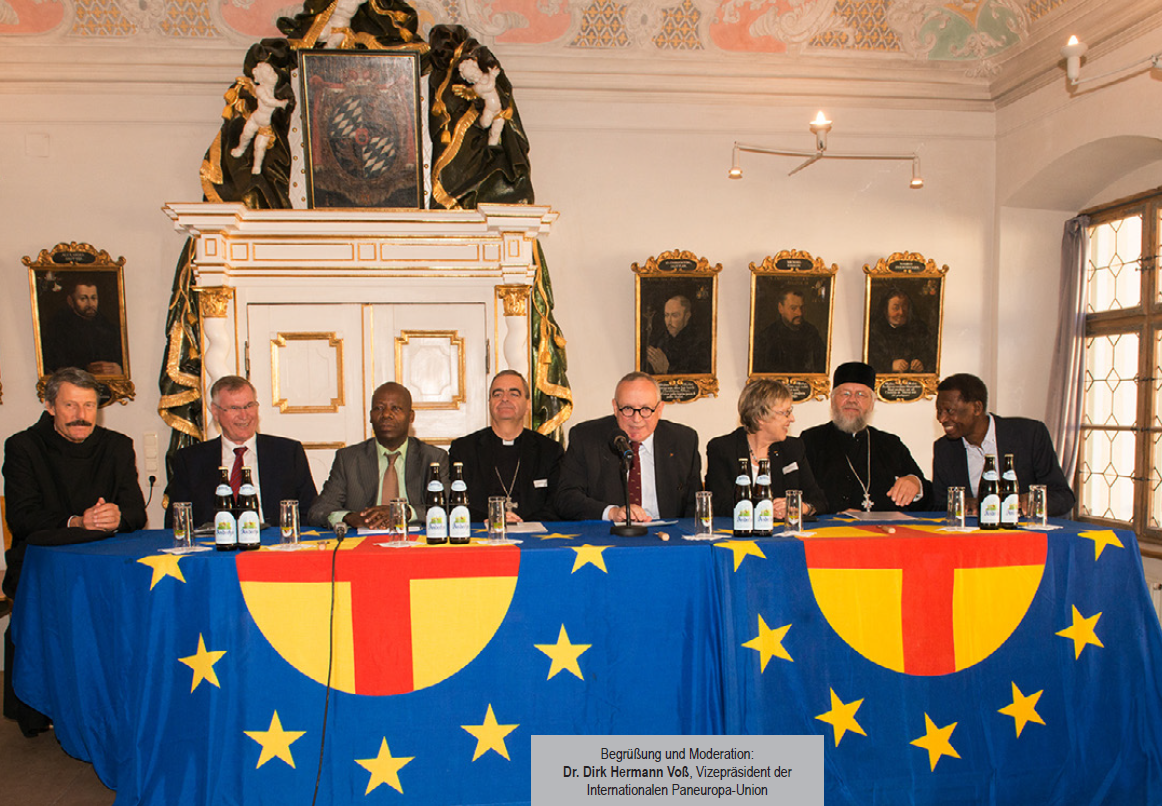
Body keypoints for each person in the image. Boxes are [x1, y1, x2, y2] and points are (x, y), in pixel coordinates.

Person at [2, 367, 146, 735]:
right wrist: (78, 522)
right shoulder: (23, 447)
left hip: (105, 562)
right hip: (43, 563)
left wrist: (116, 516)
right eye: (70, 405)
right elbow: (22, 518)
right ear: (50, 406)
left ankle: (117, 706)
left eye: (89, 405)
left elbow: (135, 512)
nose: (82, 415)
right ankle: (47, 706)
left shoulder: (116, 445)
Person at [163, 375, 316, 527]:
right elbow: (176, 521)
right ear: (215, 412)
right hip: (214, 545)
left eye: (249, 406)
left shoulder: (287, 453)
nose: (244, 416)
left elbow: (310, 513)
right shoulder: (191, 459)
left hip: (273, 544)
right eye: (234, 408)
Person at [555, 372, 700, 522]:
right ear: (615, 408)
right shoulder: (586, 438)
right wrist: (611, 513)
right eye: (628, 409)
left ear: (660, 409)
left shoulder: (683, 441)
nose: (636, 419)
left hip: (668, 537)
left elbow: (694, 505)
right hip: (607, 536)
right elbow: (566, 498)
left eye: (645, 409)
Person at [932, 372, 1076, 517]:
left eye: (949, 411)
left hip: (1023, 535)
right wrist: (961, 504)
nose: (941, 418)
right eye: (939, 411)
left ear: (977, 408)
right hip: (971, 537)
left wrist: (1034, 501)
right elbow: (937, 505)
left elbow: (1063, 497)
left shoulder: (1029, 435)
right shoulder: (944, 449)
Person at [308, 382, 448, 528]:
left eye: (395, 408)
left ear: (411, 417)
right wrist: (349, 518)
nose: (386, 414)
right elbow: (318, 511)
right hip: (363, 544)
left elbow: (448, 508)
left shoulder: (433, 458)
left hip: (415, 543)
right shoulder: (348, 459)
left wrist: (404, 512)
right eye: (379, 408)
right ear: (370, 416)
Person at [801, 361, 930, 513]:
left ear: (872, 403)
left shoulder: (890, 444)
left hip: (883, 534)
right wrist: (837, 513)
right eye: (845, 393)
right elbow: (799, 495)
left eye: (861, 395)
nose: (852, 400)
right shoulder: (810, 440)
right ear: (832, 400)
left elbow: (928, 499)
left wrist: (915, 483)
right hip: (829, 532)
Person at [449, 370, 563, 523]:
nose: (504, 399)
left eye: (514, 394)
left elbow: (558, 504)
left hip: (535, 538)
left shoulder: (550, 451)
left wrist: (523, 523)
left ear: (528, 404)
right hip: (482, 537)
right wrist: (488, 519)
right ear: (489, 403)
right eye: (497, 394)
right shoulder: (463, 450)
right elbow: (454, 504)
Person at [706, 379, 826, 518]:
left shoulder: (793, 448)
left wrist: (802, 507)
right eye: (785, 413)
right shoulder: (723, 449)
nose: (792, 419)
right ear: (759, 417)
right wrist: (765, 509)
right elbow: (719, 505)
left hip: (784, 535)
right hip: (739, 536)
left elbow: (819, 501)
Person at [41, 279, 123, 375]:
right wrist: (85, 370)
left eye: (93, 298)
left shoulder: (109, 327)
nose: (90, 304)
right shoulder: (59, 328)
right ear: (70, 301)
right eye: (83, 299)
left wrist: (119, 370)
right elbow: (55, 364)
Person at [757, 287, 826, 374]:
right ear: (780, 308)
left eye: (802, 307)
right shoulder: (767, 336)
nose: (799, 313)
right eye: (793, 308)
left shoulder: (811, 332)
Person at [867, 287, 934, 374]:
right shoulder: (874, 331)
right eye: (896, 308)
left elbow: (928, 356)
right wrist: (890, 365)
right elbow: (870, 362)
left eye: (904, 306)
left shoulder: (919, 329)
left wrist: (920, 363)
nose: (901, 312)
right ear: (885, 310)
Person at [645, 295, 709, 375]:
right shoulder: (659, 342)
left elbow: (700, 377)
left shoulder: (699, 344)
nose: (669, 321)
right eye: (667, 315)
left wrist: (667, 371)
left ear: (687, 316)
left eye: (675, 315)